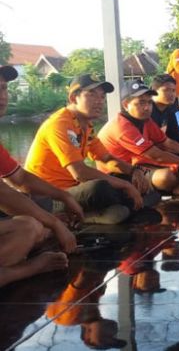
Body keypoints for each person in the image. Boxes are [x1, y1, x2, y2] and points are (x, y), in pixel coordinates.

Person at [24, 74, 144, 224]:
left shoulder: (86, 126)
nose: (99, 101)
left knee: (131, 182)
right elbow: (80, 173)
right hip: (48, 196)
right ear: (74, 98)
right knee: (100, 188)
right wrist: (125, 186)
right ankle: (96, 214)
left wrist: (134, 171)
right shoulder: (59, 124)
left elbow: (107, 158)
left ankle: (108, 211)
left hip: (72, 189)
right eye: (92, 94)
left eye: (102, 96)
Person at [0, 65, 74, 287]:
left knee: (37, 220)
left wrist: (65, 197)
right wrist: (52, 223)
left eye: (3, 89)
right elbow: (3, 193)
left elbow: (19, 178)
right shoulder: (60, 123)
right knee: (29, 226)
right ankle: (27, 268)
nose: (2, 96)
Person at [97, 80, 179, 195]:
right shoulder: (121, 126)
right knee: (167, 177)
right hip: (118, 174)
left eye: (149, 102)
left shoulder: (145, 119)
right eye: (141, 102)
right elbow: (156, 155)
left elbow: (166, 142)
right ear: (125, 105)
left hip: (138, 165)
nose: (147, 107)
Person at [149, 75, 179, 151]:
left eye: (173, 90)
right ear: (154, 91)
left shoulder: (169, 110)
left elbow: (177, 137)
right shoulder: (146, 111)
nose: (172, 94)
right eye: (166, 90)